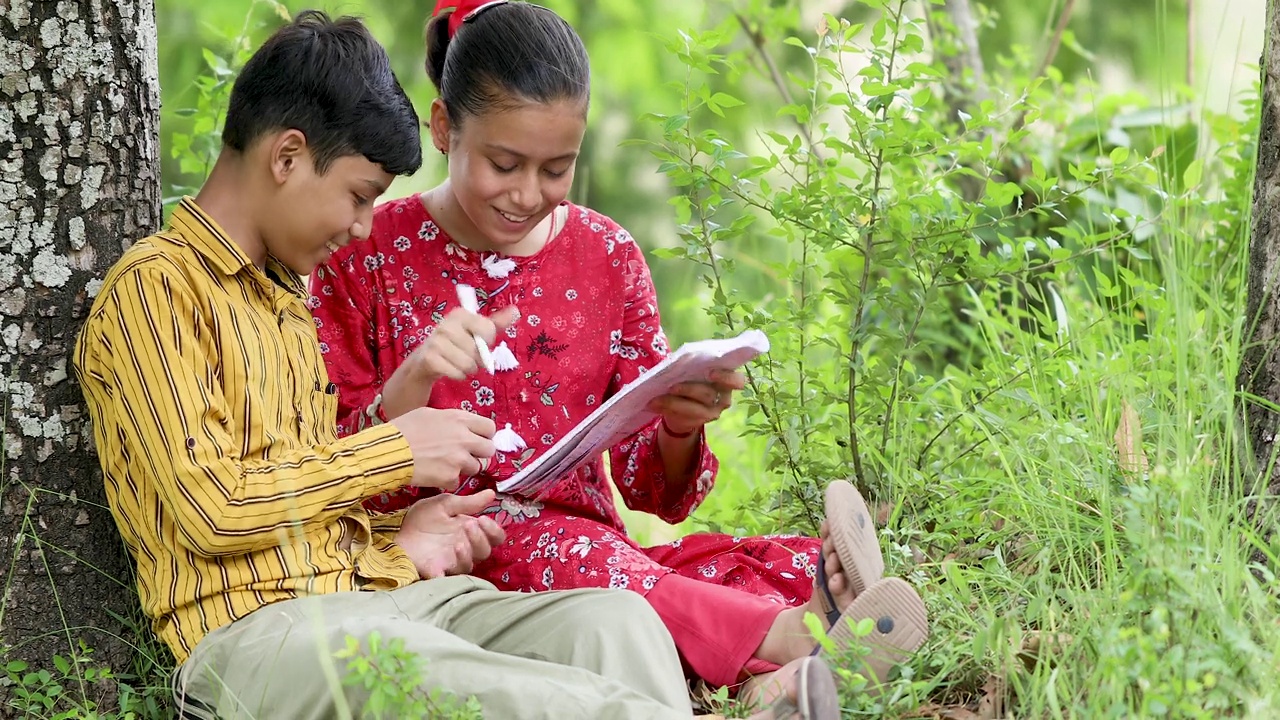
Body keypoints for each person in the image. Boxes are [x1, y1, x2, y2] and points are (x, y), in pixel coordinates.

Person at [72, 10, 839, 720]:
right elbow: (209, 510)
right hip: (260, 635)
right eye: (358, 196)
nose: (363, 225)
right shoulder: (158, 290)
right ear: (287, 157)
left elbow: (309, 475)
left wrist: (406, 531)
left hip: (378, 590)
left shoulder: (281, 295)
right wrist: (398, 448)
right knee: (520, 694)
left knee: (616, 623)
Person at [310, 0, 930, 708]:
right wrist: (416, 376)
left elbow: (651, 493)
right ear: (445, 127)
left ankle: (774, 688)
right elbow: (332, 466)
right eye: (504, 163)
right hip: (446, 562)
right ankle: (795, 638)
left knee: (758, 562)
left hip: (595, 554)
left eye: (556, 169)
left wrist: (677, 425)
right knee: (591, 563)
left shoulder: (607, 254)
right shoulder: (364, 252)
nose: (527, 195)